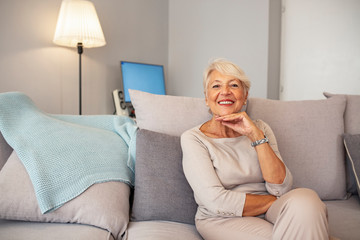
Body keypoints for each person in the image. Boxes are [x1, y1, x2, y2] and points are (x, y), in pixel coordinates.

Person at [181, 59, 329, 240]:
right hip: (221, 217)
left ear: (244, 96)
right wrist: (274, 201)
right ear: (206, 98)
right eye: (216, 86)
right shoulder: (194, 138)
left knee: (307, 200)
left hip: (270, 209)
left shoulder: (261, 128)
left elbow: (281, 188)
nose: (225, 92)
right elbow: (215, 200)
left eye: (234, 85)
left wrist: (255, 136)